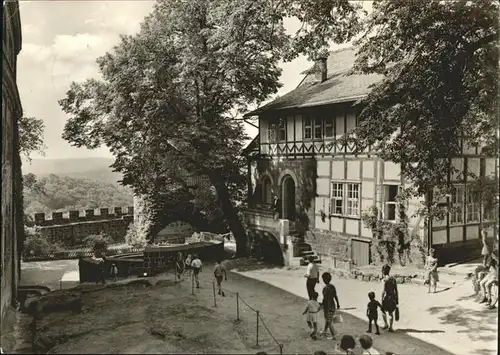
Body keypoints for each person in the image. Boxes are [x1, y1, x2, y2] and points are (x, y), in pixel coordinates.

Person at [320, 272, 340, 340]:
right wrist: (338, 304)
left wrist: (322, 305)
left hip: (327, 306)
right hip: (333, 305)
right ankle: (325, 331)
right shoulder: (332, 287)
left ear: (324, 280)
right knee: (328, 319)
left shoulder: (325, 288)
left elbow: (325, 299)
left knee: (329, 321)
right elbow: (335, 296)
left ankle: (334, 335)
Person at [380, 264, 398, 332]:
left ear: (383, 271)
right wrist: (397, 299)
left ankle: (386, 324)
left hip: (386, 297)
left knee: (383, 311)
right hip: (392, 297)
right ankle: (391, 327)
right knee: (390, 312)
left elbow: (383, 291)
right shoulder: (393, 279)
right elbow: (396, 290)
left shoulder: (384, 280)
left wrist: (381, 299)